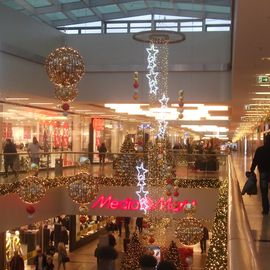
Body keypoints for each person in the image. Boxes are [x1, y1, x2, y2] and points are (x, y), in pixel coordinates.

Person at [250, 133, 270, 215]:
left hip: (263, 173)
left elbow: (255, 161)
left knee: (264, 192)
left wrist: (252, 170)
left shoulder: (260, 150)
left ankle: (265, 210)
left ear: (265, 141)